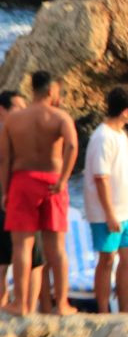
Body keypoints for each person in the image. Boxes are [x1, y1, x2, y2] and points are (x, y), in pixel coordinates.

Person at [0, 70, 79, 316]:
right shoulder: (60, 117)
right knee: (56, 247)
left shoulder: (14, 120)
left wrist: (5, 191)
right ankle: (63, 304)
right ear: (52, 90)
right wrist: (64, 178)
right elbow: (73, 146)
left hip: (22, 181)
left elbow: (5, 158)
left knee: (21, 246)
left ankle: (21, 304)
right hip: (53, 182)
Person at [84, 85, 128, 313]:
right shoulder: (103, 137)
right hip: (106, 212)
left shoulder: (121, 134)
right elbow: (101, 178)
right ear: (125, 111)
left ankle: (125, 311)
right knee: (107, 259)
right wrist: (110, 214)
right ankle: (102, 311)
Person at [0, 91, 45, 313]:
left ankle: (26, 307)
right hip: (9, 201)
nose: (23, 111)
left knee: (33, 259)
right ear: (2, 110)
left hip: (22, 200)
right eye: (18, 107)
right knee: (7, 261)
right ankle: (17, 307)